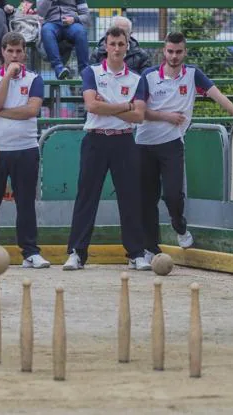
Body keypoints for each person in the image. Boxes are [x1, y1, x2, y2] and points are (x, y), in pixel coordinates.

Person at [137, 31, 233, 262]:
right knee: (146, 199)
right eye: (170, 51)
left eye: (179, 52)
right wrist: (166, 116)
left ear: (185, 52)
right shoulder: (148, 76)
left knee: (173, 195)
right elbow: (139, 112)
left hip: (172, 144)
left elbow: (217, 95)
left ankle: (179, 227)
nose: (174, 56)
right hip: (144, 144)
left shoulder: (192, 74)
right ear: (164, 50)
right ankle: (150, 248)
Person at [62, 26, 150, 272]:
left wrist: (108, 105)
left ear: (127, 46)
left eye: (121, 44)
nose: (117, 48)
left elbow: (139, 116)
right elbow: (92, 106)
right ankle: (76, 253)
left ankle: (135, 253)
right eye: (112, 44)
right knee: (86, 197)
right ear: (105, 46)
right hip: (95, 139)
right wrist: (124, 106)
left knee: (130, 197)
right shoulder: (91, 72)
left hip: (123, 140)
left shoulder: (136, 79)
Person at [0, 32, 50, 269]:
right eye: (10, 51)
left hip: (26, 149)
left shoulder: (35, 79)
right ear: (2, 52)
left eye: (19, 51)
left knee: (26, 203)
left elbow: (31, 111)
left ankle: (30, 252)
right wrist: (8, 76)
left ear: (25, 53)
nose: (15, 55)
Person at [37, 0, 89, 80]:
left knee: (80, 31)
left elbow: (86, 16)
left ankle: (84, 71)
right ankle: (59, 69)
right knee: (46, 30)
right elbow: (40, 13)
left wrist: (74, 19)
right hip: (51, 23)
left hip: (71, 24)